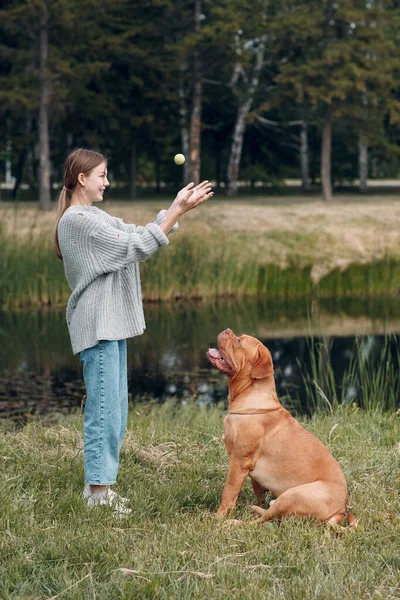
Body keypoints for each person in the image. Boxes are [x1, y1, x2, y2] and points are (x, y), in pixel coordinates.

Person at [55, 148, 213, 514]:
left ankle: (102, 487)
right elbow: (136, 246)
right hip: (98, 325)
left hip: (109, 324)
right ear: (82, 179)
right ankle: (96, 494)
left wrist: (176, 208)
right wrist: (176, 212)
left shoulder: (92, 217)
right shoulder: (77, 221)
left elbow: (137, 233)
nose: (106, 182)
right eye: (102, 176)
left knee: (116, 409)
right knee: (104, 410)